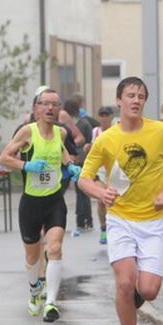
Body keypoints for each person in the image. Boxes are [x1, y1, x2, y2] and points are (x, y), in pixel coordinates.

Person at [78, 77, 163, 325]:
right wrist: (101, 192)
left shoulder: (160, 131)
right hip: (121, 219)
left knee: (148, 291)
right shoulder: (106, 139)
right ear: (119, 100)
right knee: (125, 283)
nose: (136, 101)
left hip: (151, 221)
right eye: (130, 96)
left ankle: (132, 299)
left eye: (140, 96)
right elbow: (85, 178)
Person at [0, 87, 81, 323]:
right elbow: (3, 157)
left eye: (55, 104)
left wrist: (70, 166)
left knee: (54, 248)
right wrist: (26, 166)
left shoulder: (61, 133)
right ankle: (35, 289)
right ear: (36, 108)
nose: (50, 108)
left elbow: (63, 151)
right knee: (32, 258)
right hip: (31, 204)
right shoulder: (27, 132)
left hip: (54, 201)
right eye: (45, 104)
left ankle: (51, 303)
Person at [64, 97, 94, 231]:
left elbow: (82, 140)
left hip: (78, 160)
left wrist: (67, 147)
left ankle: (84, 220)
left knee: (82, 192)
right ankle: (83, 220)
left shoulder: (81, 124)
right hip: (79, 159)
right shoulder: (83, 122)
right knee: (81, 192)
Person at [92, 106, 115, 245]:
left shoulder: (116, 130)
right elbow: (91, 148)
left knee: (112, 202)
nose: (104, 118)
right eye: (102, 115)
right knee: (101, 200)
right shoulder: (95, 131)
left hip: (113, 172)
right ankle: (103, 228)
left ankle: (114, 228)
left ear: (111, 117)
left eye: (106, 115)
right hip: (99, 172)